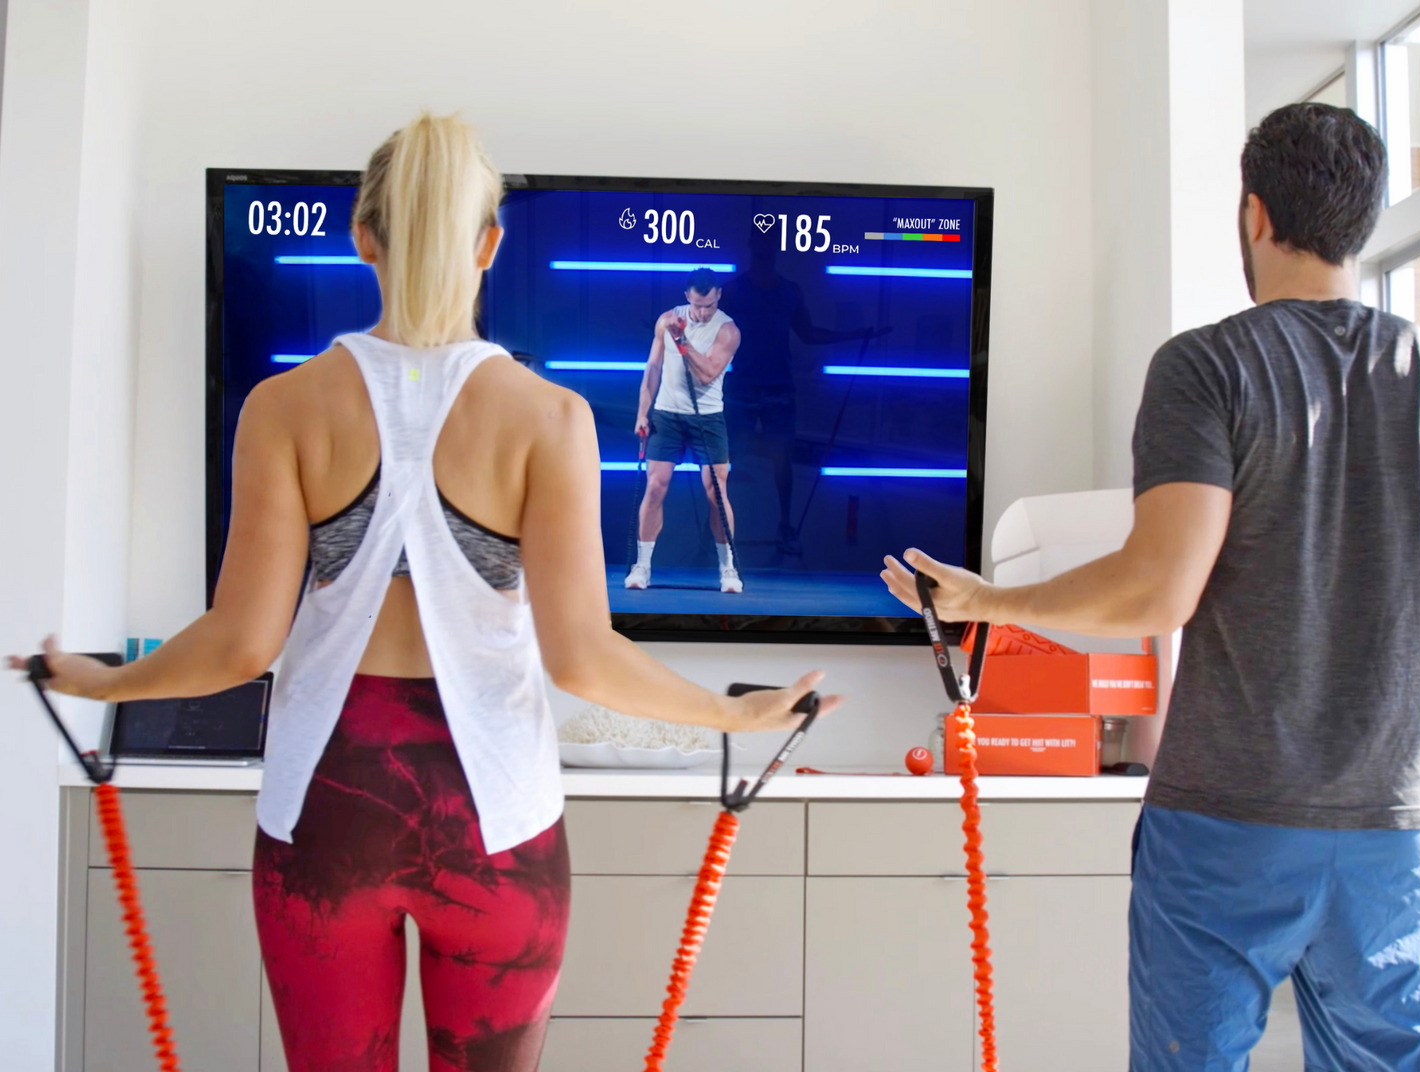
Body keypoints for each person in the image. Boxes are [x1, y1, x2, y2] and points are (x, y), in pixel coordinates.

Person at [10, 114, 836, 1072]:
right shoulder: (550, 418)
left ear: (364, 240)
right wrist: (733, 713)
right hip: (496, 835)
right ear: (489, 244)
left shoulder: (282, 408)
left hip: (328, 816)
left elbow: (240, 645)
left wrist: (96, 682)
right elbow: (583, 656)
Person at [883, 102, 1420, 1072]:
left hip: (1225, 824)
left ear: (1253, 213)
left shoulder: (1208, 367)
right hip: (1394, 832)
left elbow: (1157, 590)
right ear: (1364, 220)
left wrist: (986, 601)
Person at [720, 228, 889, 555]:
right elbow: (703, 324)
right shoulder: (733, 291)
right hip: (742, 388)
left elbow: (809, 334)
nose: (765, 244)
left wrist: (858, 334)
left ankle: (785, 528)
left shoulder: (789, 292)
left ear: (775, 245)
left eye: (770, 238)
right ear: (752, 243)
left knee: (783, 464)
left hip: (778, 389)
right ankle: (716, 530)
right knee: (726, 461)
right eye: (761, 238)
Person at [626, 267, 744, 593]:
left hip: (708, 417)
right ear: (686, 297)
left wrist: (682, 339)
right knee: (655, 488)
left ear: (718, 295)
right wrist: (642, 413)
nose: (702, 312)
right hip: (667, 415)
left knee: (716, 492)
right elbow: (653, 367)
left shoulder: (728, 330)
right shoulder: (667, 319)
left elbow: (707, 373)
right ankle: (643, 566)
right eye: (697, 305)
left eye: (708, 305)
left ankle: (728, 570)